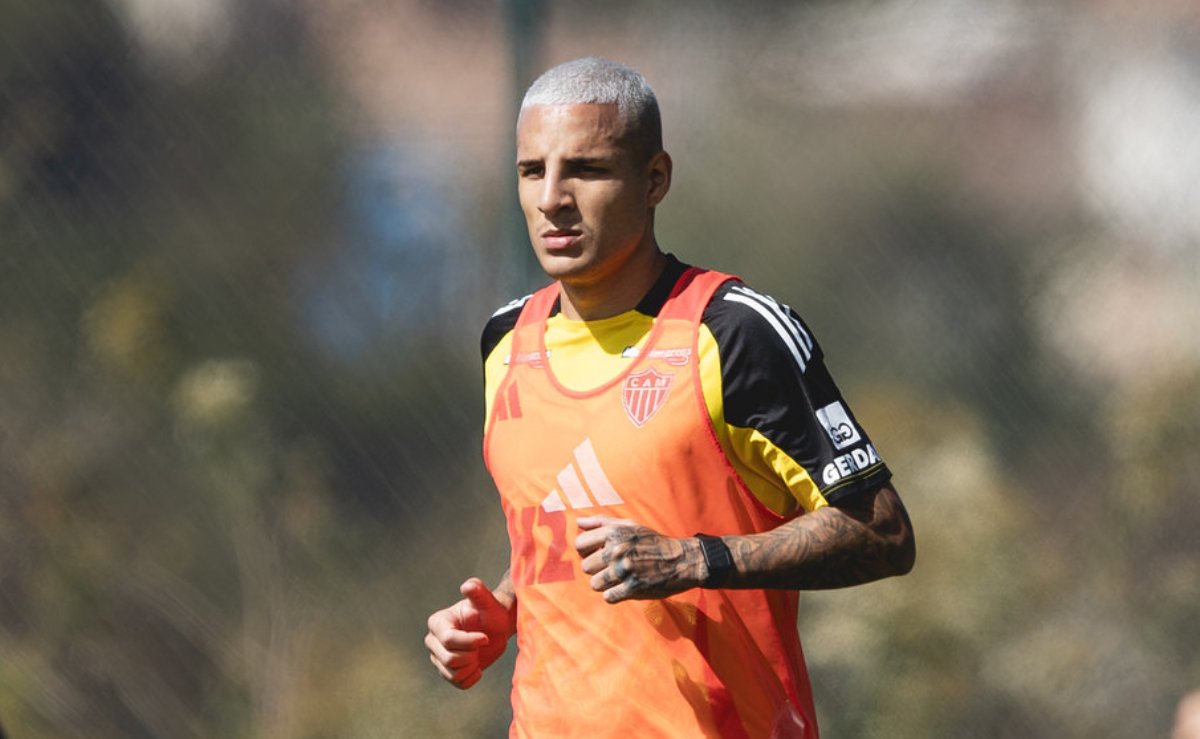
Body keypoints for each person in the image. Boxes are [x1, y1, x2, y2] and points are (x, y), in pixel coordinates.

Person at [425, 56, 915, 738]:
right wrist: (504, 608)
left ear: (654, 179)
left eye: (587, 170)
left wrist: (695, 558)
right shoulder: (505, 340)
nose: (552, 199)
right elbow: (566, 521)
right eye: (532, 171)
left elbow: (883, 530)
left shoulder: (734, 331)